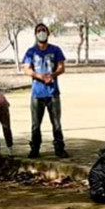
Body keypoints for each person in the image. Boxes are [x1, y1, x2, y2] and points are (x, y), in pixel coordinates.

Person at [23, 23, 69, 159]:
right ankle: (35, 148)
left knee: (56, 123)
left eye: (44, 30)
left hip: (53, 92)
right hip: (37, 94)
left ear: (48, 33)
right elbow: (27, 69)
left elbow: (62, 67)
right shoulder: (31, 52)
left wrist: (52, 75)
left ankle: (59, 148)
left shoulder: (56, 50)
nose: (41, 32)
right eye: (39, 31)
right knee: (36, 124)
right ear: (35, 34)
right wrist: (39, 76)